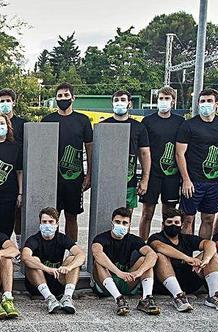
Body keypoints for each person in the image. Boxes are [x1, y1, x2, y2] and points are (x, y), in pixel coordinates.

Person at [148, 207, 218, 312]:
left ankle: (214, 296)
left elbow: (210, 243)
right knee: (160, 256)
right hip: (164, 284)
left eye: (176, 222)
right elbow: (160, 247)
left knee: (212, 254)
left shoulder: (186, 238)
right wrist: (187, 258)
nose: (173, 225)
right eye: (169, 222)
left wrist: (206, 259)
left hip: (188, 280)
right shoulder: (155, 237)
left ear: (182, 225)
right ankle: (178, 297)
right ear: (163, 224)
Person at [42, 83, 94, 242]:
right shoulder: (47, 120)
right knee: (51, 217)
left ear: (73, 98)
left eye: (66, 96)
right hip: (52, 178)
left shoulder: (83, 120)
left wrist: (89, 175)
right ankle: (51, 253)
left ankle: (73, 253)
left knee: (72, 217)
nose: (63, 99)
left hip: (74, 177)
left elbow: (89, 148)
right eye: (59, 96)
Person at [176, 88, 218, 239]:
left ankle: (203, 253)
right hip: (193, 182)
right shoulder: (188, 125)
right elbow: (179, 153)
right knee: (187, 219)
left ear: (216, 104)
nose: (205, 104)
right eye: (202, 101)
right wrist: (186, 179)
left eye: (209, 101)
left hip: (213, 183)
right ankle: (185, 254)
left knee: (209, 219)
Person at [91, 207, 161, 316]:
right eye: (118, 222)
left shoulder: (133, 239)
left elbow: (152, 255)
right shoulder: (101, 238)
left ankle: (146, 299)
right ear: (112, 223)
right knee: (98, 262)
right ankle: (119, 299)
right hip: (105, 283)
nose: (121, 225)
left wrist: (139, 272)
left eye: (124, 223)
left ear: (129, 225)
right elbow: (97, 253)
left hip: (127, 281)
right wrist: (119, 273)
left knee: (145, 260)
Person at [139, 86, 185, 239]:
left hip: (172, 175)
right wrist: (145, 177)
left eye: (167, 98)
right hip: (152, 174)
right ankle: (143, 245)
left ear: (173, 102)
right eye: (161, 98)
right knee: (147, 213)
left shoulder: (180, 122)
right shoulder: (148, 121)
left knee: (169, 215)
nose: (163, 101)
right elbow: (143, 150)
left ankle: (165, 243)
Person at [21, 207, 85, 314]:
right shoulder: (33, 239)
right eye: (44, 222)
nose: (47, 225)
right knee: (34, 260)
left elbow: (81, 254)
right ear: (40, 223)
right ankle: (50, 298)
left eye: (51, 222)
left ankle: (67, 297)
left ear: (57, 223)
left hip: (58, 280)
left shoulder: (62, 238)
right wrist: (46, 269)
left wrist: (68, 267)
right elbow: (25, 257)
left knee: (72, 259)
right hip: (37, 284)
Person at [100, 90, 150, 214]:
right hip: (107, 181)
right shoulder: (103, 126)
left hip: (129, 181)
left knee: (126, 216)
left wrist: (145, 179)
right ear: (112, 103)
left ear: (129, 104)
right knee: (105, 214)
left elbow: (145, 154)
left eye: (123, 100)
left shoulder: (139, 127)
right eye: (116, 100)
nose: (119, 103)